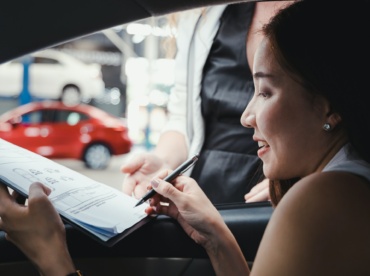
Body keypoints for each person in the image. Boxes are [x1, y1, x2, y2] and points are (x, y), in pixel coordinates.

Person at [2, 1, 370, 275]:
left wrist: (52, 257)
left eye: (265, 92)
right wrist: (215, 234)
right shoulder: (342, 186)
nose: (246, 116)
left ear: (328, 106)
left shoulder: (322, 198)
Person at [121, 2, 289, 204]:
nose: (247, 117)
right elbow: (182, 117)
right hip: (205, 188)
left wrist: (302, 179)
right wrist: (164, 163)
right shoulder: (201, 11)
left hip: (286, 192)